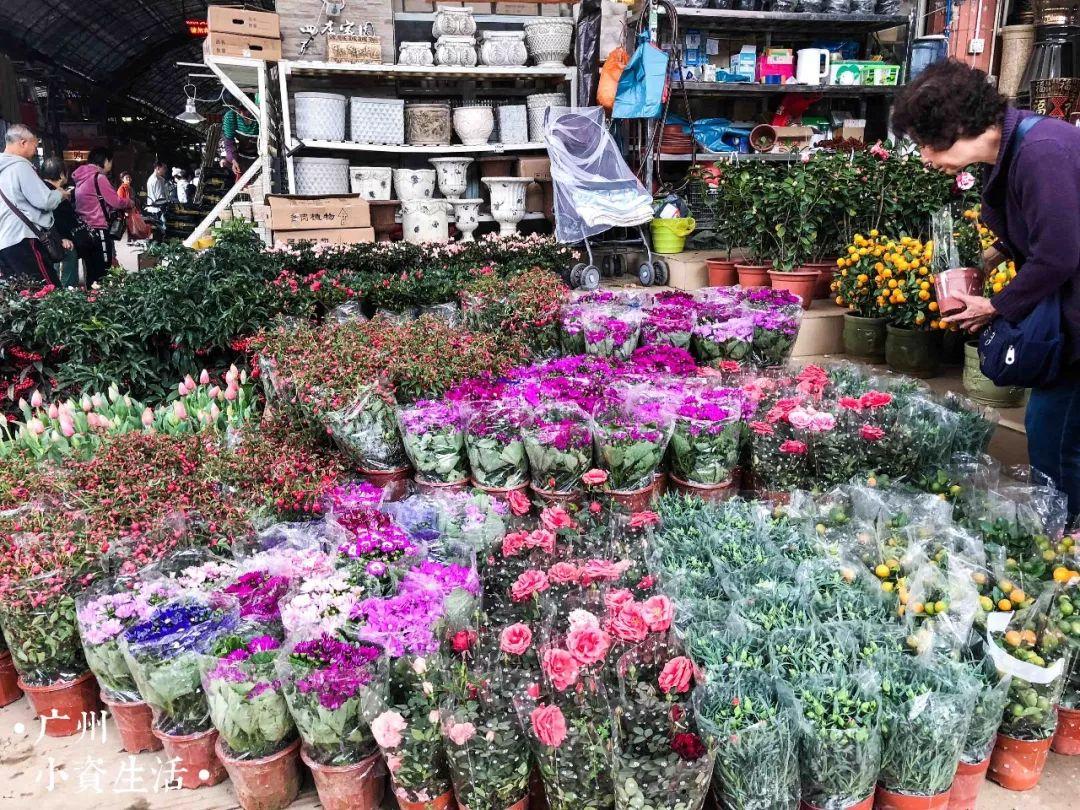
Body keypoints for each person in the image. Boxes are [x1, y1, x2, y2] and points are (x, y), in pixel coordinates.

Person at [892, 59, 1080, 517]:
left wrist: (994, 306)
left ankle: (1067, 538)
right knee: (1053, 425)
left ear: (955, 127)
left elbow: (1058, 254)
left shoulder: (1042, 150)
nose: (925, 158)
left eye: (925, 145)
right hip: (1068, 306)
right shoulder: (1019, 148)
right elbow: (1044, 225)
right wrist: (995, 254)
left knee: (1054, 431)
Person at [0, 123, 67, 284]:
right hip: (24, 240)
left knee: (23, 294)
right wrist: (60, 194)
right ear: (23, 142)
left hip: (4, 243)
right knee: (49, 291)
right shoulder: (20, 166)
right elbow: (45, 201)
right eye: (35, 144)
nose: (36, 150)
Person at [72, 146, 132, 286]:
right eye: (110, 162)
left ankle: (92, 299)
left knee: (91, 270)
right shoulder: (99, 178)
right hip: (98, 229)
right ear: (105, 161)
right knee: (103, 271)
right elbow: (116, 201)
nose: (110, 165)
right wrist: (130, 202)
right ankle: (101, 301)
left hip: (85, 231)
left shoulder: (80, 178)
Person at [39, 157, 81, 287]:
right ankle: (66, 298)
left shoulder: (40, 189)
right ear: (62, 174)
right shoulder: (53, 193)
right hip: (58, 241)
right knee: (64, 274)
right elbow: (53, 217)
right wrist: (62, 238)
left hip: (49, 239)